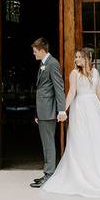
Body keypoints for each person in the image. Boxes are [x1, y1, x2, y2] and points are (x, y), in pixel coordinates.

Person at [41, 47, 100, 198]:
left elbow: (99, 92)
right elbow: (72, 92)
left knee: (97, 140)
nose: (76, 59)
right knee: (80, 140)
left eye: (79, 57)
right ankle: (81, 174)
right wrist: (63, 110)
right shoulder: (74, 74)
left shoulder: (96, 73)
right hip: (80, 109)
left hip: (94, 109)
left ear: (86, 59)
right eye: (75, 57)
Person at [30, 37, 66, 188]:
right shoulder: (44, 64)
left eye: (35, 51)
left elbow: (59, 88)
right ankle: (48, 172)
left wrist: (61, 109)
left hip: (50, 110)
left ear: (42, 50)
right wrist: (38, 113)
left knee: (49, 143)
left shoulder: (52, 64)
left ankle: (50, 174)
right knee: (46, 143)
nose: (33, 54)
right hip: (43, 110)